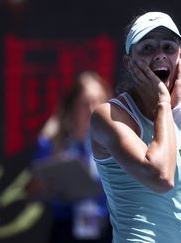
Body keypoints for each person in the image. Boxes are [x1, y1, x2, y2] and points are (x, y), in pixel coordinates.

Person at [89, 11, 181, 242]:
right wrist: (164, 103)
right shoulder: (109, 115)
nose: (159, 55)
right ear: (129, 62)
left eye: (168, 48)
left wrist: (179, 111)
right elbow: (161, 178)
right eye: (147, 48)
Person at [32, 71, 112, 243]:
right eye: (85, 103)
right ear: (73, 106)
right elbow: (33, 188)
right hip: (66, 229)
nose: (92, 109)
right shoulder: (54, 141)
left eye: (98, 101)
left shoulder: (115, 142)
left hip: (106, 228)